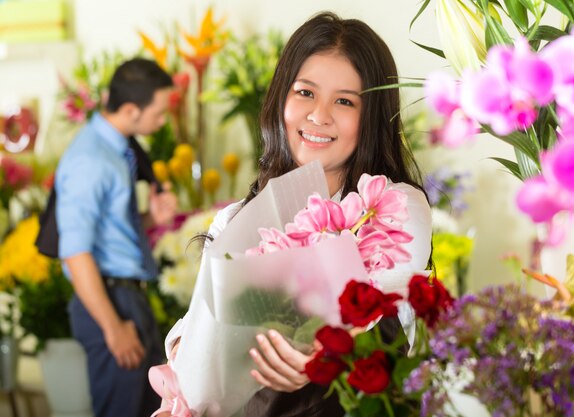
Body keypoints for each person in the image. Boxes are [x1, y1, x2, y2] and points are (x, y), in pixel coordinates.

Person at [164, 12, 432, 416]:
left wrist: (321, 354)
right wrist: (190, 350)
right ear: (280, 99)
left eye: (344, 101)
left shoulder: (393, 206)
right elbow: (194, 329)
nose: (319, 115)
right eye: (305, 92)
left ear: (372, 116)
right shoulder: (236, 219)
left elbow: (385, 311)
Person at [55, 58, 178, 417]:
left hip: (125, 297)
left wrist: (150, 217)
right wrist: (113, 327)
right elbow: (75, 252)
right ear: (129, 110)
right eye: (159, 112)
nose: (162, 121)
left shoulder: (113, 149)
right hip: (108, 303)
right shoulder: (91, 160)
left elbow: (107, 228)